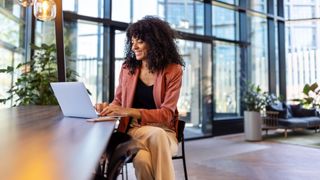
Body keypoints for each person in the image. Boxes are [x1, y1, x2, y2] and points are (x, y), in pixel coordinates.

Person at [96, 16, 184, 180]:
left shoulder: (173, 70)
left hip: (165, 134)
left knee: (145, 156)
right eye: (132, 41)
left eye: (140, 41)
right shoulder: (128, 68)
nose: (134, 46)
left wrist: (128, 111)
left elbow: (167, 114)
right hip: (134, 131)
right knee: (145, 155)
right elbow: (118, 101)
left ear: (155, 43)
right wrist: (108, 108)